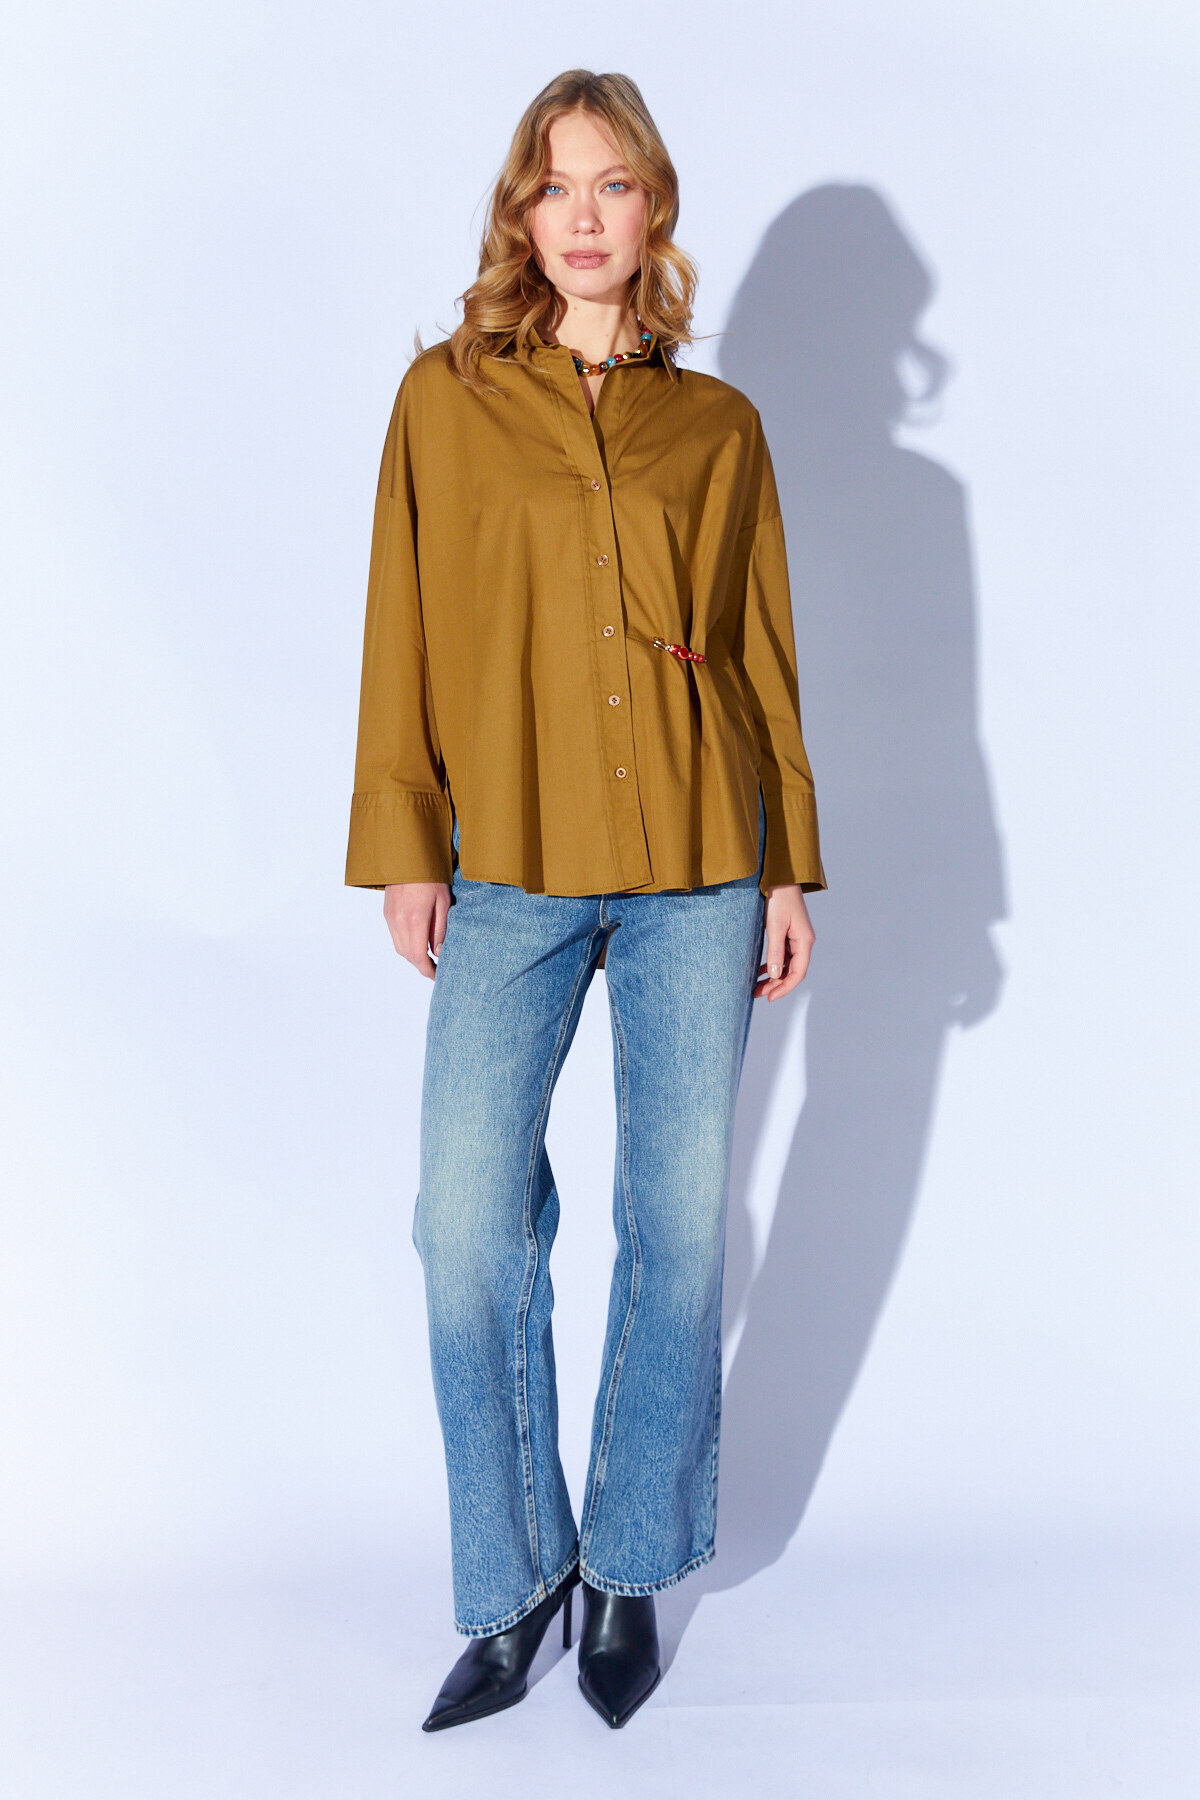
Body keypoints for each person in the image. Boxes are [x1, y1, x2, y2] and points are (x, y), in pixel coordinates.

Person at [345, 68, 825, 1732]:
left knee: (677, 1231)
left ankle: (628, 1567)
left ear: (653, 208)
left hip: (700, 863)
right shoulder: (446, 399)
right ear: (520, 212)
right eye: (556, 187)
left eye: (613, 185)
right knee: (465, 1228)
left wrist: (789, 865)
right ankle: (514, 1579)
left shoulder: (721, 429)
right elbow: (400, 624)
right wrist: (408, 842)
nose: (585, 216)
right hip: (509, 864)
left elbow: (759, 656)